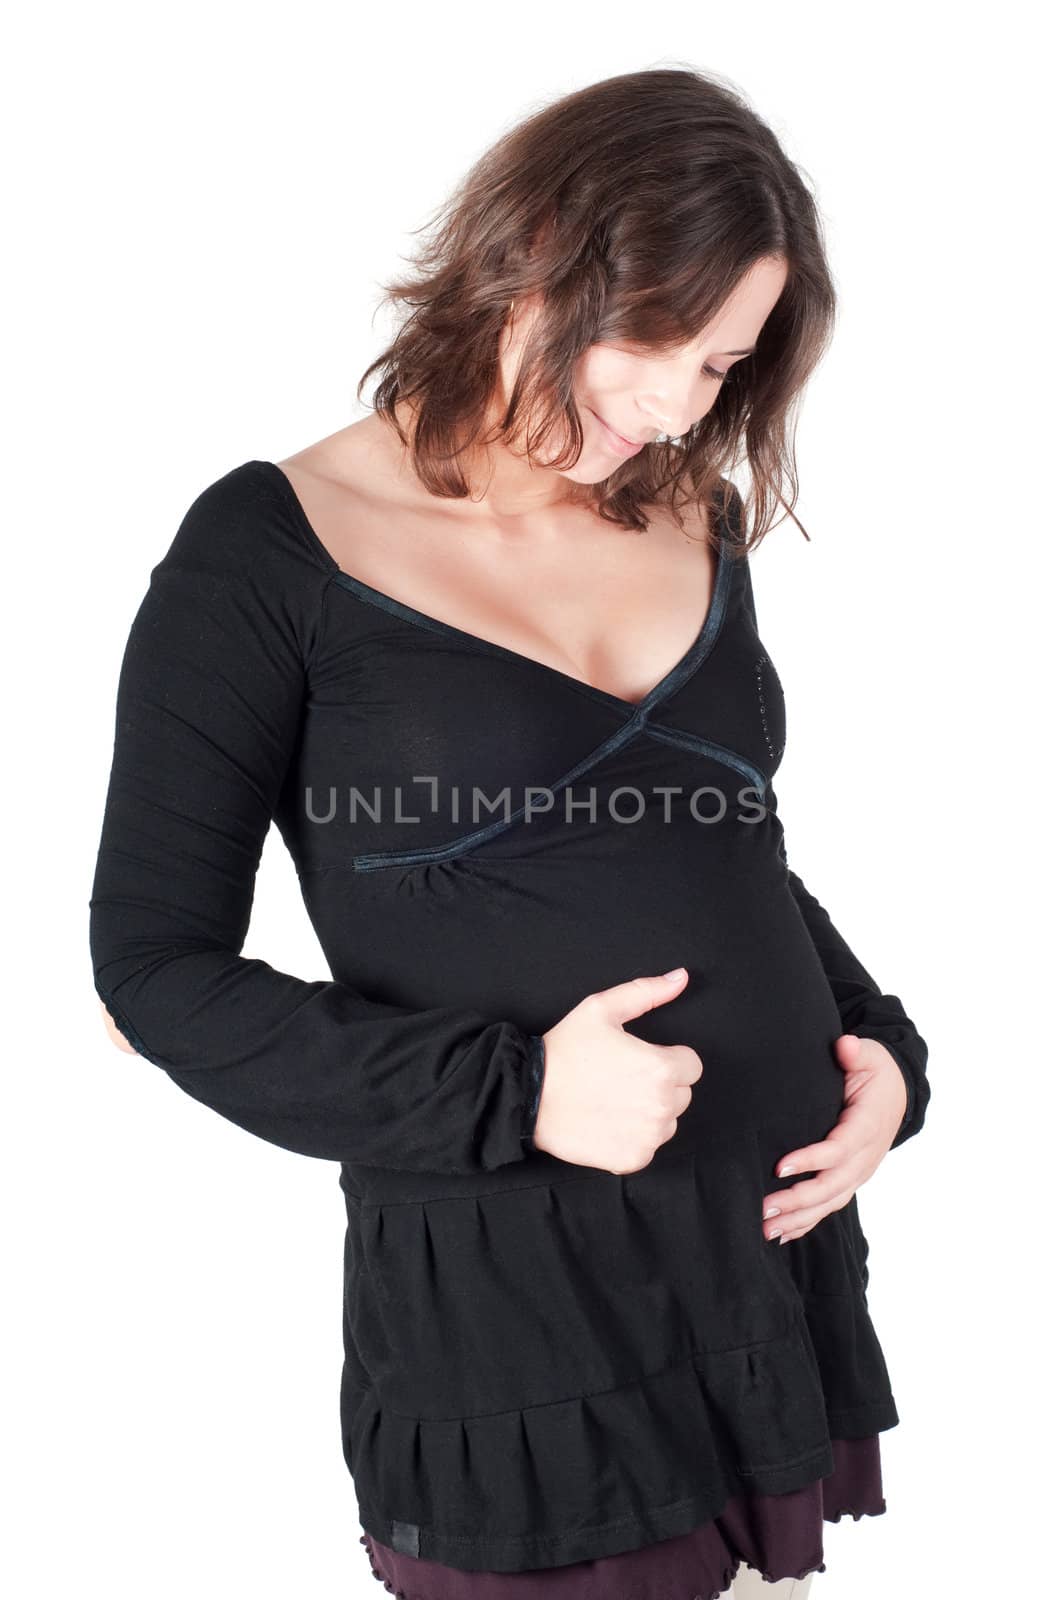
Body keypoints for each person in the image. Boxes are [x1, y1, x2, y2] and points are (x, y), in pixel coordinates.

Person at [89, 66, 929, 1598]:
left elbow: (727, 851)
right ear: (533, 253)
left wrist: (881, 1060)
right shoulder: (265, 553)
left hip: (765, 1263)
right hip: (522, 1325)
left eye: (725, 365)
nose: (680, 409)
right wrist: (521, 1092)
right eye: (658, 344)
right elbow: (153, 976)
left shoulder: (692, 514)